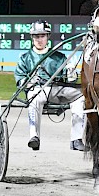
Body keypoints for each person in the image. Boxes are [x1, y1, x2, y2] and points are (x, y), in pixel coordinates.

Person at [14, 20, 86, 151]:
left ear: (48, 37)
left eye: (42, 36)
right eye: (36, 36)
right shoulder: (25, 58)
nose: (39, 39)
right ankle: (34, 137)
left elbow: (70, 80)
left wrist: (71, 74)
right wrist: (27, 82)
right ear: (32, 37)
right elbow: (19, 78)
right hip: (36, 91)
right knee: (34, 99)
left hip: (56, 91)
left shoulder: (59, 57)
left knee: (81, 96)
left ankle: (76, 138)